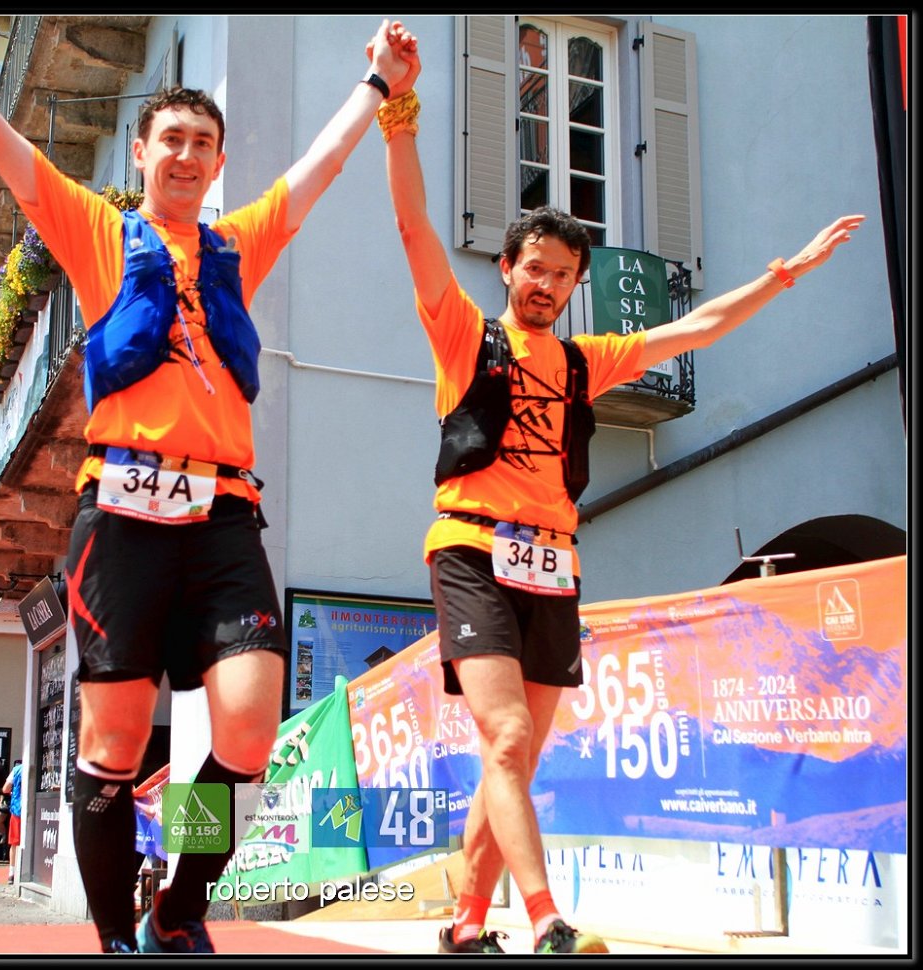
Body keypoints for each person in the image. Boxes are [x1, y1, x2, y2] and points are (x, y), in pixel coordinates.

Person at [0, 13, 417, 955]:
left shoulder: (236, 246)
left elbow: (320, 169)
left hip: (223, 517)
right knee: (113, 749)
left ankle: (178, 903)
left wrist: (378, 84)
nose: (186, 154)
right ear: (141, 153)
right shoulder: (99, 232)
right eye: (170, 138)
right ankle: (115, 937)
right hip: (122, 522)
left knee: (247, 734)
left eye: (203, 143)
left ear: (218, 163)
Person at [378, 35, 863, 956]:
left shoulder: (584, 361)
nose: (548, 285)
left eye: (564, 274)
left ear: (574, 284)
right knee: (506, 739)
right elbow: (413, 231)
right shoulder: (464, 337)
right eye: (535, 268)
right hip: (472, 548)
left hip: (552, 565)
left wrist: (785, 274)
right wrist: (398, 114)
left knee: (513, 759)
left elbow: (698, 327)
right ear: (508, 268)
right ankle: (546, 920)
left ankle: (464, 926)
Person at [1, 759, 24, 887]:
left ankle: (12, 872)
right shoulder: (39, 767)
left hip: (17, 809)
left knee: (14, 842)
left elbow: (5, 789)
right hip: (34, 809)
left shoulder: (17, 770)